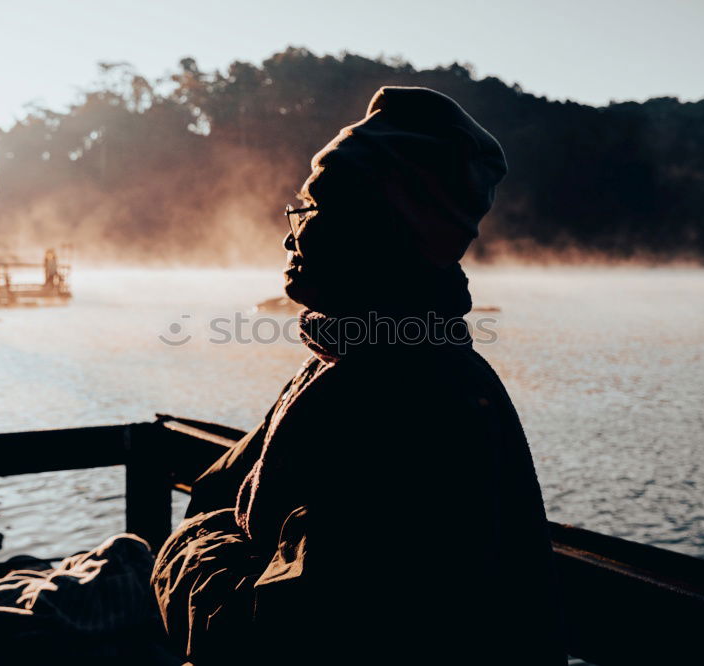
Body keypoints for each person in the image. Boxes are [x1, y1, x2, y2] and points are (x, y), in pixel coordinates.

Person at [152, 86, 565, 664]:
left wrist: (185, 550)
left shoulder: (406, 397)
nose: (290, 233)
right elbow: (224, 493)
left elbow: (273, 635)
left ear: (379, 229)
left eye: (313, 209)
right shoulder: (354, 360)